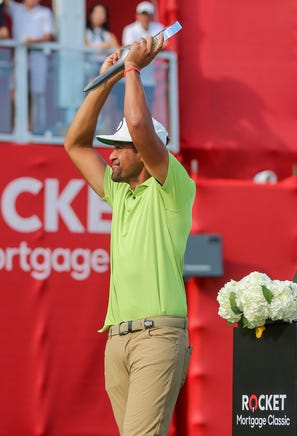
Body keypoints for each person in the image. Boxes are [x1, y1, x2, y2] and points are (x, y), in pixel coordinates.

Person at [64, 33, 196, 435]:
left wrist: (133, 67)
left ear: (147, 151)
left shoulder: (173, 186)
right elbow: (75, 144)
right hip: (117, 344)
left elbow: (139, 124)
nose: (113, 154)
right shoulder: (121, 193)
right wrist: (106, 82)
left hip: (158, 338)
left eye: (122, 147)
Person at [3, 0, 56, 133]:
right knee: (15, 91)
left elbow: (48, 35)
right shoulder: (16, 9)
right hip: (18, 57)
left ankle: (32, 128)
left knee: (35, 93)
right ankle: (15, 127)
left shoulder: (44, 12)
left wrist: (32, 41)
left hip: (37, 57)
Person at [122, 1, 164, 110]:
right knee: (126, 110)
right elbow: (129, 49)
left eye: (147, 15)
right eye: (143, 14)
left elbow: (164, 44)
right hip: (130, 76)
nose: (145, 18)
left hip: (149, 79)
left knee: (146, 110)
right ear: (138, 16)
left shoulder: (158, 27)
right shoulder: (129, 29)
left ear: (151, 16)